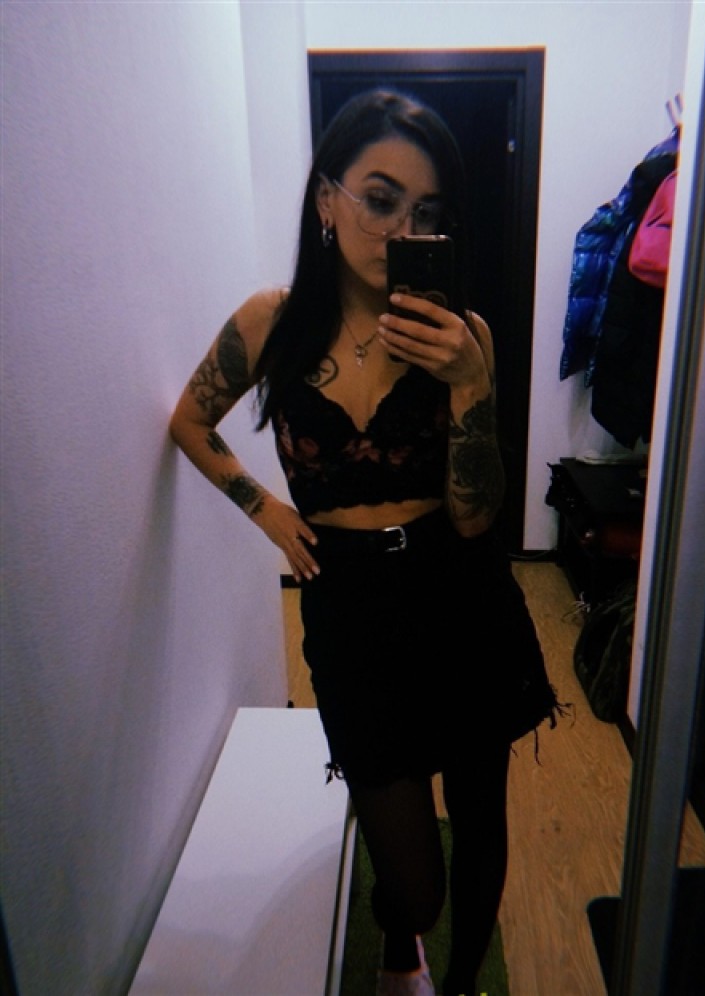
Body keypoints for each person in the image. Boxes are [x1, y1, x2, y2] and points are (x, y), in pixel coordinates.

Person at [170, 89, 562, 996]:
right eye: (380, 200)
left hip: (459, 592)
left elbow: (477, 516)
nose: (400, 231)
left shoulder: (465, 337)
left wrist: (470, 382)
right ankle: (401, 933)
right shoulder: (270, 323)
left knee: (480, 817)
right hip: (349, 606)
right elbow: (190, 420)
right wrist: (267, 510)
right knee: (414, 878)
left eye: (426, 213)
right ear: (326, 199)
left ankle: (457, 984)